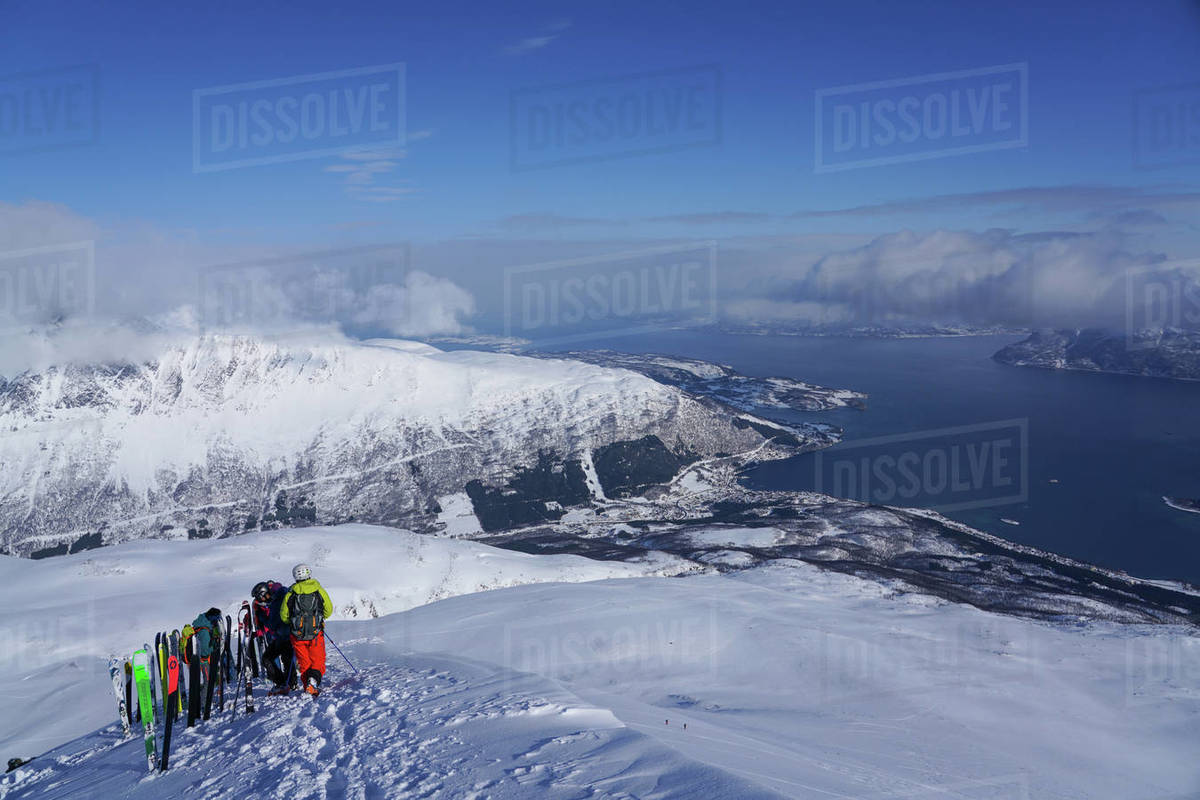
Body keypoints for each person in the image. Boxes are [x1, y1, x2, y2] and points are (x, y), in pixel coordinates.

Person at [279, 564, 333, 696]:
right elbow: (329, 610)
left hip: (297, 635)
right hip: (315, 633)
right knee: (318, 660)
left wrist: (294, 624)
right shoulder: (318, 590)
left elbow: (284, 616)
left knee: (304, 663)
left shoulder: (291, 593)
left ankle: (307, 686)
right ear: (309, 573)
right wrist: (319, 619)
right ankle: (313, 682)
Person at [252, 581, 295, 694]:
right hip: (286, 634)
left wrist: (262, 618)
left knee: (268, 658)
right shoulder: (281, 596)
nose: (261, 600)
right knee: (287, 659)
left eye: (260, 597)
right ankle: (291, 683)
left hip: (284, 636)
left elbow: (273, 624)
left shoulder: (277, 601)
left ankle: (283, 684)